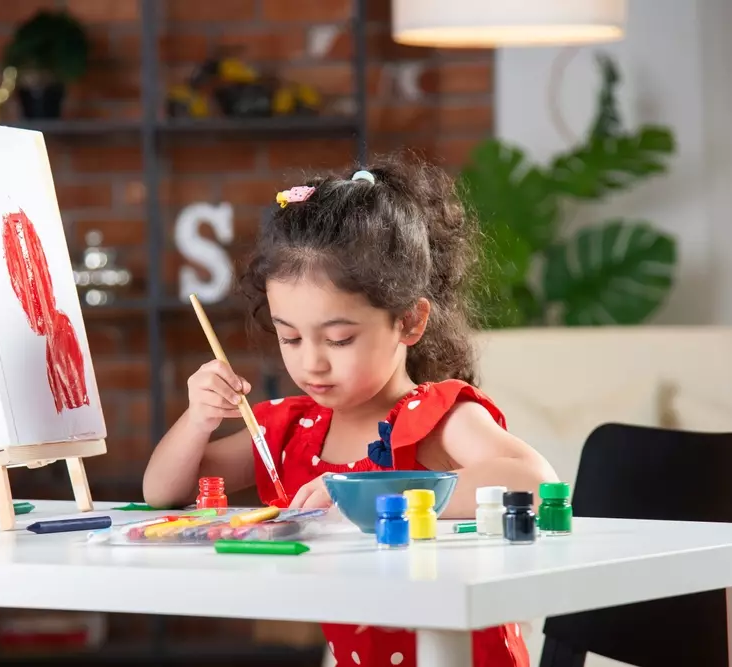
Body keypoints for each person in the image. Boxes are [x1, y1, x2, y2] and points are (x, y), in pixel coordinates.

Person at [143, 153, 557, 667]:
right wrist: (198, 419)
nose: (312, 362)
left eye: (339, 339)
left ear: (409, 322)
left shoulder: (433, 416)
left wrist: (377, 494)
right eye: (290, 337)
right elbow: (164, 490)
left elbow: (534, 481)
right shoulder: (292, 429)